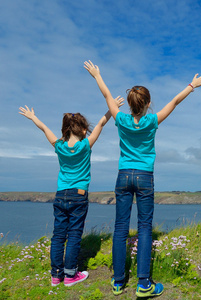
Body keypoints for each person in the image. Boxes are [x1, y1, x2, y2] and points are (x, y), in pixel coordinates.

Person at [84, 60, 201, 297]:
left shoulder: (120, 119)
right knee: (144, 228)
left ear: (130, 105)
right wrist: (192, 85)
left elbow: (107, 95)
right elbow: (174, 101)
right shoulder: (152, 121)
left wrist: (97, 75)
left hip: (123, 176)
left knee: (120, 228)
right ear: (148, 104)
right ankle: (144, 284)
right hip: (144, 177)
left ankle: (119, 282)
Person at [19, 98, 123, 287]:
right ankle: (70, 276)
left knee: (58, 235)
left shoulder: (59, 146)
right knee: (74, 234)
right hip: (79, 195)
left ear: (65, 129)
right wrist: (111, 108)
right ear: (83, 130)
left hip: (61, 194)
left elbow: (44, 129)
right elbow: (101, 122)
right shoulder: (85, 145)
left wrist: (33, 117)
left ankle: (55, 275)